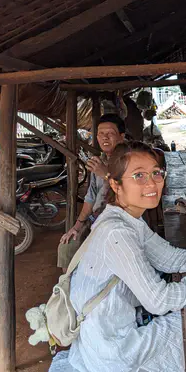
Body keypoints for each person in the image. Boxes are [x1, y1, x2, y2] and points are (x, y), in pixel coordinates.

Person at [38, 141, 186, 372]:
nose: (151, 183)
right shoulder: (117, 233)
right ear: (115, 185)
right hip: (110, 347)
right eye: (138, 175)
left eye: (156, 173)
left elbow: (167, 256)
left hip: (107, 334)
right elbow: (158, 300)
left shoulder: (127, 220)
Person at [57, 113, 126, 270]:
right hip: (97, 219)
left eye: (110, 133)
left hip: (119, 222)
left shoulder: (129, 160)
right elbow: (91, 197)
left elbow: (130, 195)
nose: (104, 138)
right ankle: (68, 285)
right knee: (67, 246)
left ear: (121, 137)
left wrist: (106, 175)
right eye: (101, 134)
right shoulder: (99, 160)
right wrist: (77, 226)